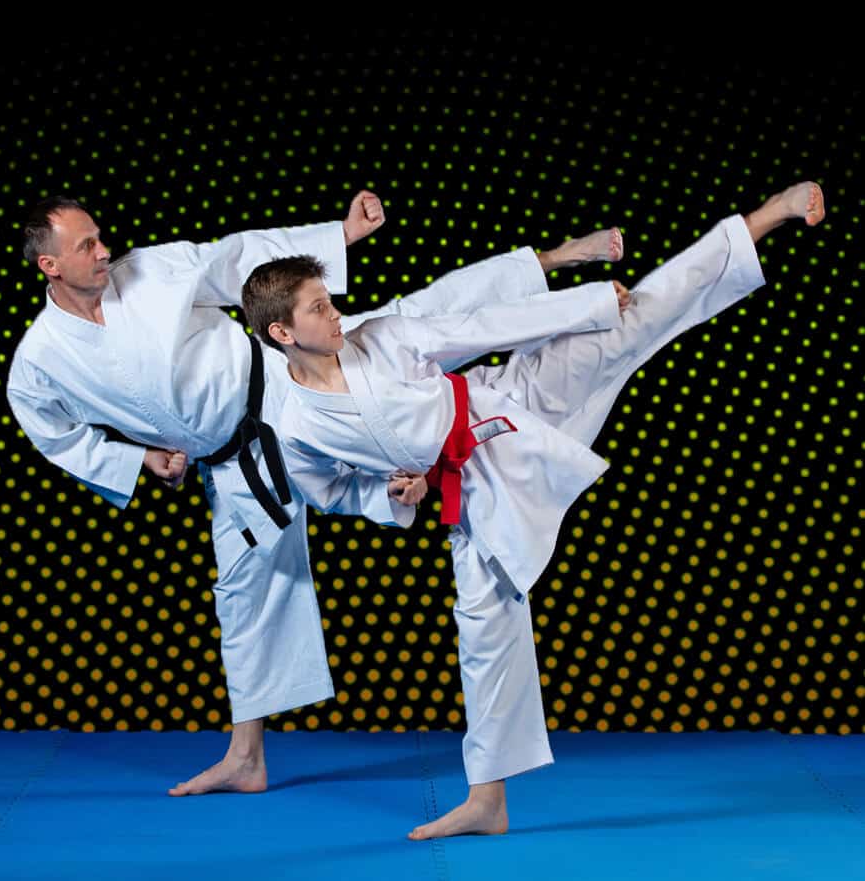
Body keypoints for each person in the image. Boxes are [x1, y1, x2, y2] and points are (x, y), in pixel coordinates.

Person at [241, 182, 825, 839]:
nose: (338, 314)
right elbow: (330, 491)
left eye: (332, 300)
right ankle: (487, 800)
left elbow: (480, 327)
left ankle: (762, 219)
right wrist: (388, 495)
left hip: (507, 403)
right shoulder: (296, 429)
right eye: (320, 309)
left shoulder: (383, 336)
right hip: (472, 488)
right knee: (485, 629)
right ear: (282, 331)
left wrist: (589, 302)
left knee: (632, 324)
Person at [6, 190, 619, 796]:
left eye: (98, 236)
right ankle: (246, 758)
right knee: (242, 594)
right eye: (86, 244)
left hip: (284, 378)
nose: (104, 248)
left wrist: (341, 236)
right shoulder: (40, 360)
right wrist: (136, 456)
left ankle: (554, 262)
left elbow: (241, 256)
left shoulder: (150, 271)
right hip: (232, 461)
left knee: (423, 316)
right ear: (50, 266)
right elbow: (51, 432)